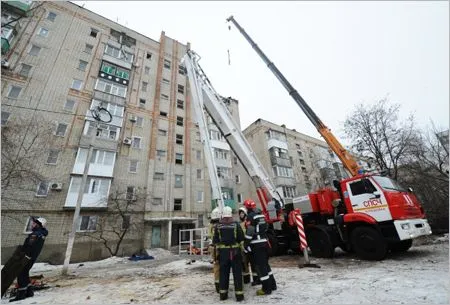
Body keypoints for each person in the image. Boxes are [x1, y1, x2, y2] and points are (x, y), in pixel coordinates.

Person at [243, 199, 277, 296]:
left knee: (261, 267)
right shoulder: (261, 215)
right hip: (265, 243)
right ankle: (272, 285)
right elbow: (265, 227)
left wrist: (246, 244)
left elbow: (250, 231)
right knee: (266, 265)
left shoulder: (250, 216)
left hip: (257, 245)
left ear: (247, 207)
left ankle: (266, 289)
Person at [10, 217, 48, 302]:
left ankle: (21, 294)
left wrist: (23, 255)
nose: (32, 224)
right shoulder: (41, 234)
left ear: (39, 225)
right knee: (24, 273)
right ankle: (29, 292)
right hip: (31, 257)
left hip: (27, 257)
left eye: (34, 223)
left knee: (21, 273)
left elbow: (29, 247)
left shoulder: (35, 234)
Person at [213, 206, 245, 302]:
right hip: (235, 252)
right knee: (237, 274)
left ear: (223, 214)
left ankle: (223, 295)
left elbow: (215, 240)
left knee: (223, 274)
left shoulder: (218, 225)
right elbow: (241, 238)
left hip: (223, 253)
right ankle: (239, 296)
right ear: (231, 213)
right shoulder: (236, 224)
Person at [238, 206, 258, 285]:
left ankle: (256, 279)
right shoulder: (239, 224)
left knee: (253, 263)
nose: (241, 215)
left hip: (250, 245)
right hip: (243, 247)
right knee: (244, 263)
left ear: (245, 213)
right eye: (240, 214)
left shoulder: (249, 222)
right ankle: (246, 280)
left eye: (242, 213)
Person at [208, 207, 221, 293]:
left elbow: (210, 237)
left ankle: (218, 285)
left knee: (216, 266)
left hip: (213, 247)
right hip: (219, 247)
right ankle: (221, 284)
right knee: (220, 265)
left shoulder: (211, 225)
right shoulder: (219, 224)